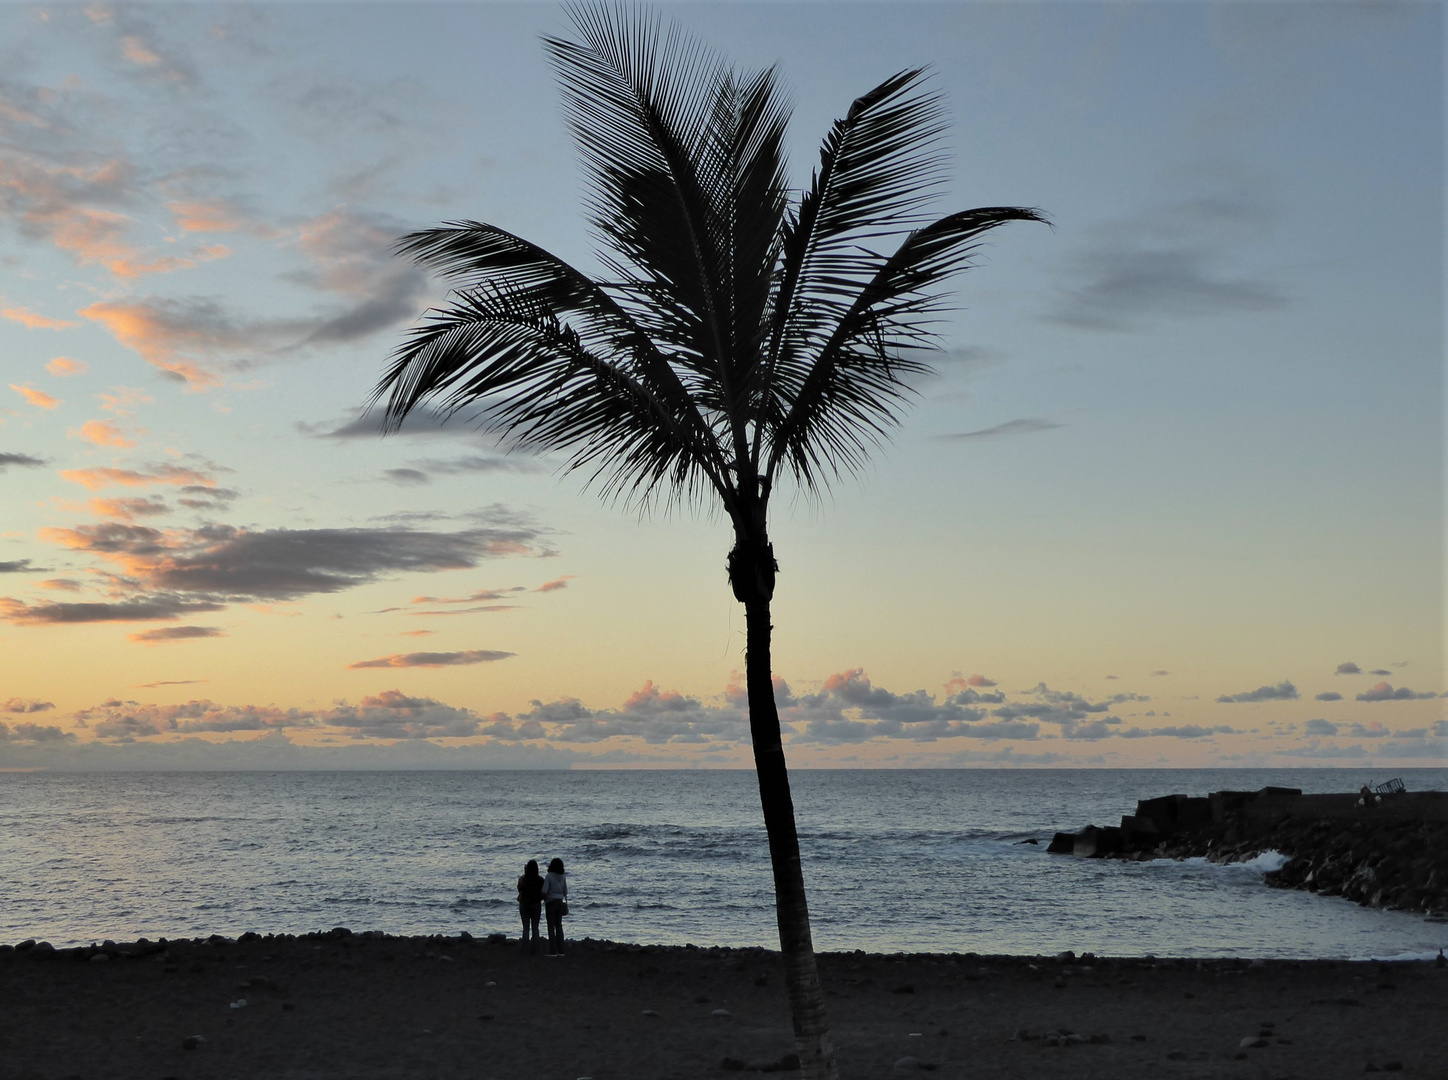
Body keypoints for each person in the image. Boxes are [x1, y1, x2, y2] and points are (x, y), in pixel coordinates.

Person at [541, 856, 568, 957]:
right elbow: (565, 891)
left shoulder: (549, 876)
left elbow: (544, 891)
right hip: (560, 902)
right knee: (559, 926)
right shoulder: (563, 876)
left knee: (551, 927)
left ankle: (552, 951)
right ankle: (561, 951)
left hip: (551, 902)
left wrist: (545, 898)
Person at [517, 859, 543, 955]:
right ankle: (535, 950)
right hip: (536, 904)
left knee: (526, 928)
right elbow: (543, 892)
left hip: (524, 903)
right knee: (535, 928)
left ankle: (525, 950)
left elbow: (519, 889)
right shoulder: (540, 880)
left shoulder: (523, 879)